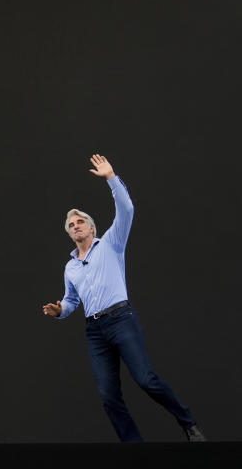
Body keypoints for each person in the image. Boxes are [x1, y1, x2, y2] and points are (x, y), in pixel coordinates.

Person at [42, 154, 205, 442]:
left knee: (146, 380)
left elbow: (126, 210)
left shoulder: (111, 244)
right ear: (69, 234)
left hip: (120, 319)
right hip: (95, 330)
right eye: (71, 225)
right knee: (108, 396)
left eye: (81, 222)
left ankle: (188, 422)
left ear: (92, 228)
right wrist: (60, 310)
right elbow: (71, 302)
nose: (76, 226)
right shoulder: (70, 266)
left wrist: (111, 178)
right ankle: (134, 447)